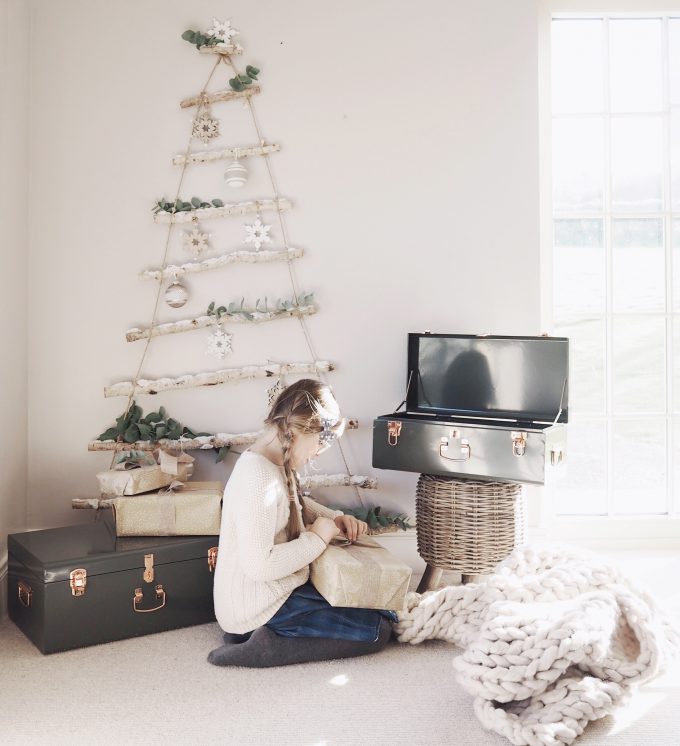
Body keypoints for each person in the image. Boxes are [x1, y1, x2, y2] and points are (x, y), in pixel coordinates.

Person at [208, 378, 397, 667]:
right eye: (321, 442)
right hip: (255, 607)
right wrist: (317, 539)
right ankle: (266, 646)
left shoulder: (270, 463)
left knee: (379, 608)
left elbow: (293, 503)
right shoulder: (258, 479)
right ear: (297, 431)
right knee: (376, 631)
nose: (319, 452)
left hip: (270, 595)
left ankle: (261, 635)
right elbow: (260, 566)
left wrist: (334, 518)